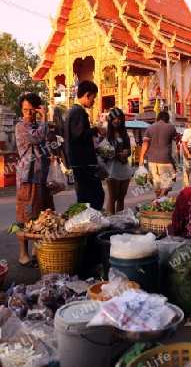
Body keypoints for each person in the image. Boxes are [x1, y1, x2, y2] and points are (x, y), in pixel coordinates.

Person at [15, 93, 54, 268]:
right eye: (25, 110)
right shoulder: (21, 126)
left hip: (41, 177)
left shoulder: (39, 125)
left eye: (32, 110)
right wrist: (44, 117)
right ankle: (23, 254)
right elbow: (37, 137)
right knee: (25, 217)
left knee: (42, 216)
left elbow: (44, 143)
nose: (28, 114)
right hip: (27, 177)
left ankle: (35, 250)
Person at [64, 80, 105, 210]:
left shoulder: (74, 111)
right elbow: (78, 134)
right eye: (93, 98)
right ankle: (91, 224)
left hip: (79, 161)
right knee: (94, 196)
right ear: (87, 95)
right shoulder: (78, 112)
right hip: (83, 162)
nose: (94, 102)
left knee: (86, 197)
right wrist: (96, 130)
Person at [139, 111, 179, 198]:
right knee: (168, 180)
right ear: (167, 119)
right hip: (165, 159)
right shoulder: (171, 128)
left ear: (158, 118)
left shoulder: (150, 128)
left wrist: (141, 157)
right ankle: (160, 198)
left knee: (156, 183)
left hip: (152, 159)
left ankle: (158, 200)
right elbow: (176, 139)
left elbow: (145, 144)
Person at [105, 108, 132, 214]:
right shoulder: (106, 136)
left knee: (121, 198)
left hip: (125, 169)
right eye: (114, 118)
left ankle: (119, 221)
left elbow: (129, 150)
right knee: (113, 198)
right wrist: (117, 156)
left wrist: (127, 152)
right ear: (110, 120)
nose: (117, 121)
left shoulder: (125, 134)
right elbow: (104, 153)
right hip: (112, 170)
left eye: (119, 119)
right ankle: (111, 221)